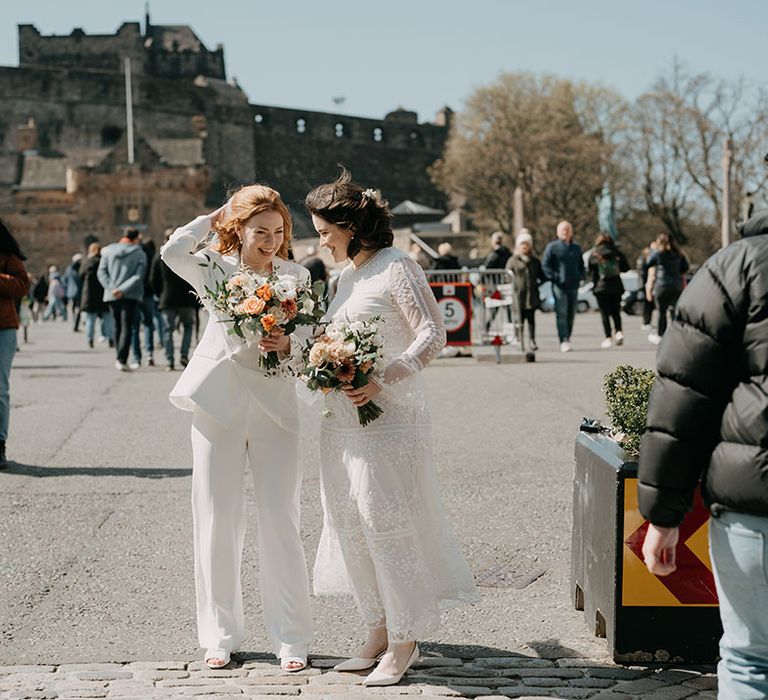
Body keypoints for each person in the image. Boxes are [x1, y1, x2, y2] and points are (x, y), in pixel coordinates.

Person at [306, 169, 478, 687]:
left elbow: (433, 333)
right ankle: (377, 629)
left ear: (350, 226)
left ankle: (405, 641)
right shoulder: (346, 277)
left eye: (323, 231)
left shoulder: (397, 267)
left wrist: (383, 377)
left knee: (385, 526)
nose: (320, 241)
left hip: (387, 421)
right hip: (341, 424)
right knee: (349, 524)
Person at [160, 185, 313, 672]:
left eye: (279, 231)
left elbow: (311, 337)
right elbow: (172, 250)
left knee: (280, 516)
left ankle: (291, 638)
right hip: (218, 402)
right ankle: (219, 634)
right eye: (261, 231)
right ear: (240, 229)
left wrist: (287, 344)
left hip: (276, 405)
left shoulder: (297, 275)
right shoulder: (214, 266)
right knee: (216, 519)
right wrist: (217, 214)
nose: (271, 240)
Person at [639, 209, 768, 699]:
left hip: (755, 507)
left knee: (751, 659)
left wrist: (664, 517)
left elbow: (683, 398)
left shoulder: (735, 268)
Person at [0, 219, 30, 468]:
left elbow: (22, 285)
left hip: (2, 327)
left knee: (0, 388)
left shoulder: (6, 253)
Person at [97, 228, 146, 371]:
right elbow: (138, 276)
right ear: (135, 238)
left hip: (111, 295)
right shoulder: (139, 253)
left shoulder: (108, 251)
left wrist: (112, 288)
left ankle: (119, 356)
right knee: (127, 326)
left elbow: (101, 272)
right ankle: (121, 358)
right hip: (130, 295)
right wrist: (122, 289)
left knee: (117, 325)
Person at [151, 229, 197, 371]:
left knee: (167, 330)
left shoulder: (160, 256)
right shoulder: (188, 254)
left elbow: (153, 280)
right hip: (186, 298)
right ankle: (184, 355)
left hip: (168, 298)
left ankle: (169, 360)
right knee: (188, 326)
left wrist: (161, 294)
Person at [542, 220, 584, 352]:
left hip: (574, 285)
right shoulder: (552, 247)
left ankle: (568, 336)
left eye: (567, 230)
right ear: (558, 232)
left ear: (571, 232)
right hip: (559, 286)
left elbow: (581, 265)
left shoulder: (576, 248)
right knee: (561, 313)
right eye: (563, 230)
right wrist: (555, 277)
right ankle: (563, 339)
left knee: (571, 313)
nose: (565, 232)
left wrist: (580, 277)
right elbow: (546, 266)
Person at [587, 233, 629, 348]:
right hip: (616, 287)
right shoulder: (617, 253)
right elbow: (626, 268)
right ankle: (619, 332)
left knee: (604, 314)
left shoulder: (595, 254)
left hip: (601, 287)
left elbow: (590, 271)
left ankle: (608, 337)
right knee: (616, 311)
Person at [645, 233, 688, 345]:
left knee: (661, 311)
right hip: (677, 285)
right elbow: (685, 268)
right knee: (675, 311)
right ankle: (677, 335)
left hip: (662, 285)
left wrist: (653, 250)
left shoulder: (659, 254)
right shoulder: (679, 254)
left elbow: (648, 263)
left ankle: (661, 335)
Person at [506, 229, 544, 351]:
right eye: (522, 244)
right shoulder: (513, 260)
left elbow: (542, 275)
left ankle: (532, 340)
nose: (525, 246)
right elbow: (506, 276)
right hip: (518, 295)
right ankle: (519, 339)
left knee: (531, 320)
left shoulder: (535, 260)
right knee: (519, 320)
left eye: (527, 244)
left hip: (531, 295)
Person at [131, 238, 165, 368]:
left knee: (135, 327)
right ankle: (149, 354)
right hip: (148, 295)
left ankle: (136, 357)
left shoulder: (134, 255)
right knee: (148, 324)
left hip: (134, 294)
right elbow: (154, 277)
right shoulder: (152, 255)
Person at [79, 243, 113, 348]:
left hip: (90, 295)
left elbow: (80, 276)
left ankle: (89, 340)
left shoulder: (87, 262)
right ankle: (111, 338)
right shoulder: (104, 262)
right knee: (107, 318)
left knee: (90, 319)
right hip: (103, 293)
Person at [63, 253, 83, 332]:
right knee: (78, 309)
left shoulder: (69, 268)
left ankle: (73, 324)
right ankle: (76, 325)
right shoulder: (80, 267)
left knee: (72, 309)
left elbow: (65, 280)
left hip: (70, 292)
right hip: (80, 291)